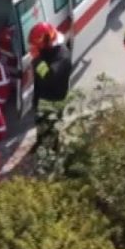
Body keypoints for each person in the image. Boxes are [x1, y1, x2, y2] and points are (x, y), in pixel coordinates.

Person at [28, 22, 72, 156]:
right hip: (42, 95)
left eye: (36, 46)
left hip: (54, 99)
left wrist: (36, 60)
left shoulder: (62, 56)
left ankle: (53, 151)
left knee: (52, 127)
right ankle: (40, 142)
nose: (34, 49)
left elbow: (49, 76)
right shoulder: (46, 50)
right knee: (40, 123)